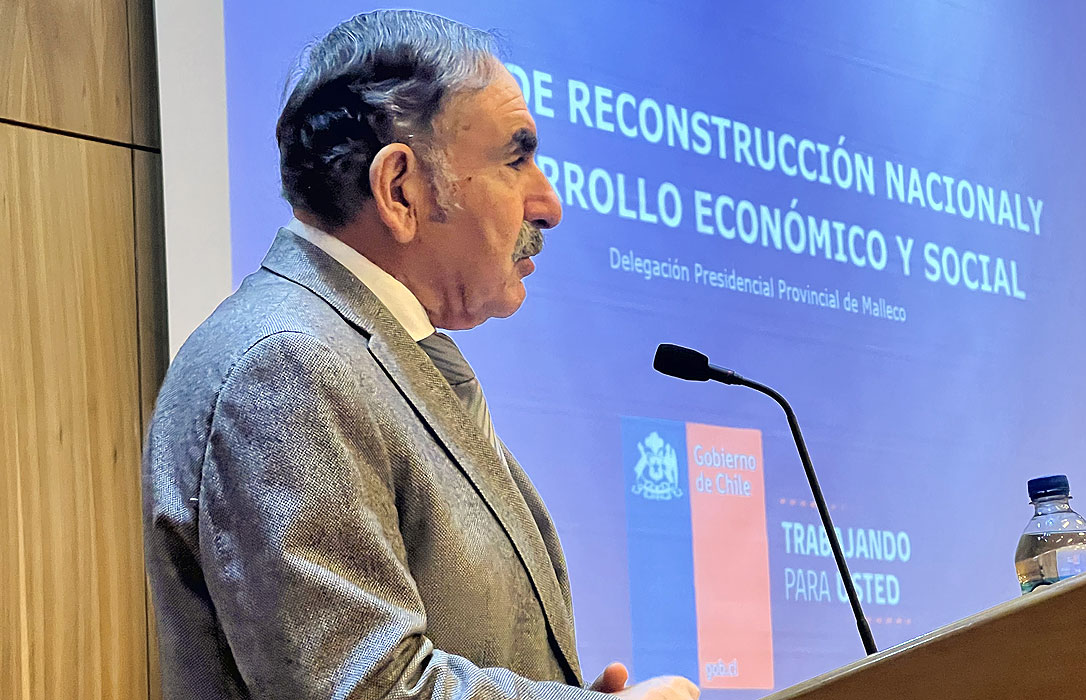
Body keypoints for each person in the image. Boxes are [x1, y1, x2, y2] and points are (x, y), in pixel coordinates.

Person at [141, 9, 701, 700]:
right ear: (400, 189)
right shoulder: (286, 365)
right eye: (516, 159)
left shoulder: (359, 353)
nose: (550, 204)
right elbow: (367, 688)